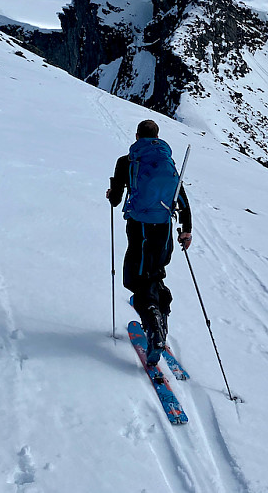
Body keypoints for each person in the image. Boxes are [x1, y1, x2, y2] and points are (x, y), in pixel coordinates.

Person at [107, 119, 192, 364]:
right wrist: (186, 230)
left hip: (139, 227)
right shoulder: (167, 163)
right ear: (157, 136)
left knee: (136, 276)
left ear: (136, 136)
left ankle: (153, 325)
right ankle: (160, 319)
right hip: (164, 227)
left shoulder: (127, 161)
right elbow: (181, 197)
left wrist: (111, 193)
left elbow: (115, 201)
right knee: (155, 272)